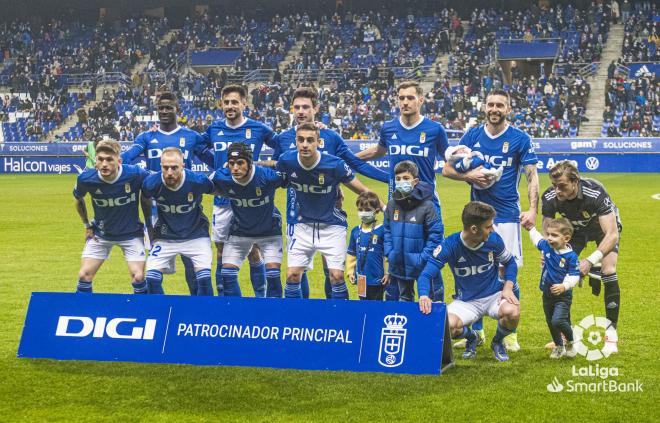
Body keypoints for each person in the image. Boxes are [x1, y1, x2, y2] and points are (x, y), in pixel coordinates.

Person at [267, 86, 388, 299]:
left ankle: (333, 316)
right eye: (297, 107)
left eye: (306, 107)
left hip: (330, 213)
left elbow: (355, 164)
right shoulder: (283, 139)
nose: (301, 111)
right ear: (291, 110)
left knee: (331, 272)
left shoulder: (331, 138)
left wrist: (389, 179)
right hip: (297, 214)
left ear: (316, 108)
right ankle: (301, 318)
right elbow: (278, 172)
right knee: (296, 272)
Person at [442, 89, 539, 352]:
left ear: (508, 109)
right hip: (477, 215)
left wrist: (532, 210)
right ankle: (477, 330)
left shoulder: (520, 138)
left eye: (500, 105)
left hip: (507, 215)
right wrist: (469, 176)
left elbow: (532, 175)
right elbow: (447, 168)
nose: (494, 109)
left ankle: (509, 334)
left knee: (508, 271)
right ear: (484, 107)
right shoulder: (472, 135)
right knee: (477, 269)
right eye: (490, 104)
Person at [357, 80, 449, 300]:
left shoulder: (435, 130)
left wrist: (470, 172)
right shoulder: (388, 128)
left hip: (426, 204)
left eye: (410, 97)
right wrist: (349, 158)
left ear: (421, 99)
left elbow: (449, 158)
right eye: (401, 98)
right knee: (397, 261)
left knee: (431, 259)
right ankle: (402, 318)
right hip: (396, 205)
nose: (405, 102)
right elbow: (378, 150)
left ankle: (436, 317)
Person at [121, 91, 213, 296]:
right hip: (156, 212)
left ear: (177, 110)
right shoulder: (146, 137)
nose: (164, 111)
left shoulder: (191, 136)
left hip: (186, 209)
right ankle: (160, 312)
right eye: (160, 108)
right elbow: (128, 157)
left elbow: (214, 161)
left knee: (193, 268)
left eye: (168, 107)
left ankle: (197, 309)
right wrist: (112, 161)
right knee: (153, 273)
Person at [276, 123, 378, 299]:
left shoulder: (334, 164)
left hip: (332, 225)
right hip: (301, 225)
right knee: (292, 275)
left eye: (310, 140)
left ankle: (340, 320)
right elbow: (272, 180)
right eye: (301, 140)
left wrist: (383, 206)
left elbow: (360, 188)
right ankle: (294, 322)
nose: (305, 144)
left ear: (318, 142)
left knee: (336, 276)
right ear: (296, 141)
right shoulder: (287, 160)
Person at [418, 202, 520, 362]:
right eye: (488, 226)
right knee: (448, 326)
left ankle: (497, 342)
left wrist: (508, 287)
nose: (492, 230)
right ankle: (472, 337)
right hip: (466, 301)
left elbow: (510, 262)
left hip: (494, 296)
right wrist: (424, 295)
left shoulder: (493, 240)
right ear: (474, 229)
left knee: (512, 313)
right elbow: (425, 274)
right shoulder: (450, 245)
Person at [204, 84, 277, 298]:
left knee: (254, 252)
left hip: (250, 201)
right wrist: (218, 163)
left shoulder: (258, 129)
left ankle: (260, 300)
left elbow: (282, 145)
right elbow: (197, 147)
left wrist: (265, 164)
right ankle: (224, 300)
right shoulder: (214, 129)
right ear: (221, 104)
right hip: (223, 202)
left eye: (234, 102)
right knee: (220, 252)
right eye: (226, 102)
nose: (230, 106)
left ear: (244, 104)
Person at [541, 160, 621, 352]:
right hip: (573, 231)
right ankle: (563, 334)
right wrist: (549, 255)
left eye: (562, 186)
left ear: (575, 181)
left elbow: (612, 234)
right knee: (557, 274)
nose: (557, 190)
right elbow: (548, 229)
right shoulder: (550, 197)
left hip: (602, 229)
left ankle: (611, 336)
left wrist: (590, 260)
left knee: (608, 269)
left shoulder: (595, 192)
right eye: (554, 185)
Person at [73, 139, 149, 294]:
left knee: (138, 277)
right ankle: (83, 310)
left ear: (119, 161)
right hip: (101, 234)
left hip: (131, 234)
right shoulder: (86, 179)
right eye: (100, 159)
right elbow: (78, 199)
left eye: (109, 159)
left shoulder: (135, 174)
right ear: (96, 161)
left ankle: (143, 312)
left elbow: (156, 183)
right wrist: (87, 225)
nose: (104, 164)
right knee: (84, 275)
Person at [211, 143, 285, 298]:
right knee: (227, 274)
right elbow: (200, 186)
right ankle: (236, 315)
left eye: (240, 163)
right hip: (240, 231)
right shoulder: (222, 177)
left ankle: (271, 313)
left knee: (273, 275)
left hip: (269, 231)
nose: (235, 168)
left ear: (249, 163)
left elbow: (292, 174)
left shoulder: (267, 176)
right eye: (232, 164)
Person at [141, 148, 215, 296]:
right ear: (160, 165)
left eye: (174, 167)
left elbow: (219, 190)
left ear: (183, 166)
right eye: (165, 167)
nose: (169, 172)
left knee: (203, 279)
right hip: (165, 236)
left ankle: (204, 313)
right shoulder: (151, 183)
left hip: (196, 234)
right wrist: (149, 224)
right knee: (151, 278)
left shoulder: (197, 181)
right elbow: (144, 198)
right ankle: (161, 313)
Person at [383, 161, 444, 302]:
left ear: (415, 181)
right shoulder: (392, 204)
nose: (401, 182)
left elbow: (436, 235)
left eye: (405, 178)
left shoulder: (428, 206)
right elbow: (387, 231)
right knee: (405, 300)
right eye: (398, 179)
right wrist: (390, 253)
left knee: (429, 300)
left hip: (422, 264)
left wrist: (423, 257)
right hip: (399, 263)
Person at [524, 217, 580, 359]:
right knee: (550, 322)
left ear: (566, 238)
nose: (549, 238)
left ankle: (571, 342)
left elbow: (575, 275)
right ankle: (559, 346)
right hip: (547, 294)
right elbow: (537, 239)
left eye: (554, 235)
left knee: (558, 320)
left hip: (563, 296)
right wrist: (530, 228)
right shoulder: (547, 247)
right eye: (548, 234)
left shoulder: (571, 257)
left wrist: (564, 286)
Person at [346, 191, 388, 300]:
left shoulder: (382, 230)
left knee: (376, 305)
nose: (363, 213)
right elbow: (351, 253)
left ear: (377, 211)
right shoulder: (356, 231)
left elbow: (387, 254)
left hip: (378, 279)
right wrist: (350, 272)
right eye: (360, 210)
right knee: (363, 304)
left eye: (368, 210)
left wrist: (387, 272)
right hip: (361, 279)